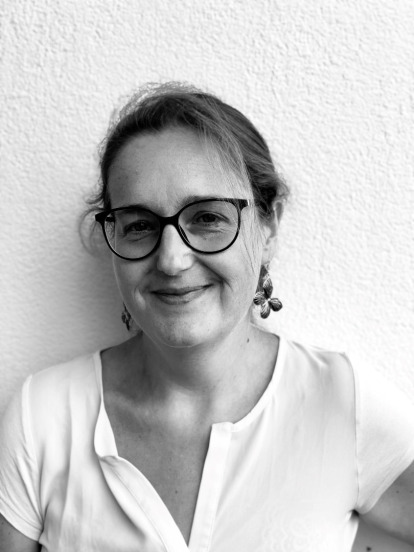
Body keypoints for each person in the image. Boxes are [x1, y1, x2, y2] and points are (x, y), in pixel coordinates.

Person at [1, 83, 414, 552]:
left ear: (269, 225)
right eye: (140, 225)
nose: (171, 260)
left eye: (207, 218)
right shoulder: (43, 416)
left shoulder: (340, 401)